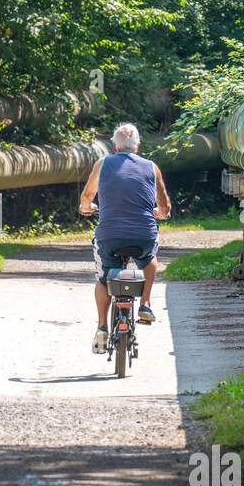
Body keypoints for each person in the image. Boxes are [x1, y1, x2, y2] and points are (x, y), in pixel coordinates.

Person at [77, 122, 171, 353]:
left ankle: (101, 327)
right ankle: (145, 304)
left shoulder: (103, 163)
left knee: (102, 279)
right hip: (143, 234)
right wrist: (163, 213)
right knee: (149, 258)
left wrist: (85, 207)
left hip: (109, 235)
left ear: (115, 146)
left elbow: (88, 195)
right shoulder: (151, 167)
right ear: (137, 146)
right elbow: (164, 202)